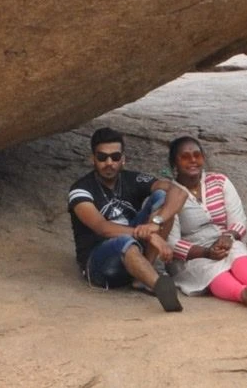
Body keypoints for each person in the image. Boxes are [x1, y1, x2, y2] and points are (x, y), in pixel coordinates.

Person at [65, 127, 185, 311]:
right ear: (92, 159)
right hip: (99, 263)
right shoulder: (81, 189)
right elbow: (102, 228)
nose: (109, 163)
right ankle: (158, 284)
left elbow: (178, 192)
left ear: (123, 159)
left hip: (136, 250)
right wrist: (149, 235)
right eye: (102, 157)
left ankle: (141, 278)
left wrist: (156, 223)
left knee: (162, 196)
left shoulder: (133, 179)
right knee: (123, 241)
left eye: (115, 157)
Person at [160, 136, 247, 307]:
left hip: (223, 242)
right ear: (174, 163)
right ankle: (244, 294)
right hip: (191, 256)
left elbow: (239, 220)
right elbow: (172, 243)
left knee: (237, 248)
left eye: (197, 155)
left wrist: (228, 236)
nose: (193, 160)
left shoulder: (219, 181)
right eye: (185, 157)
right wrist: (206, 252)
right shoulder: (171, 193)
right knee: (209, 268)